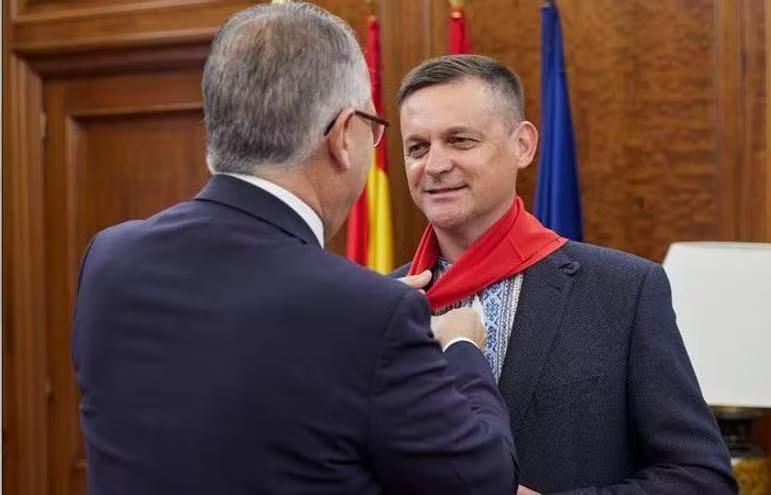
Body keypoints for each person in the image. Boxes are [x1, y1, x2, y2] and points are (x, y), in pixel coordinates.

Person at [72, 5, 517, 495]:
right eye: (375, 128)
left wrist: (363, 310)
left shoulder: (110, 259)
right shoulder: (368, 312)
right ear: (345, 136)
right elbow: (484, 482)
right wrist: (460, 346)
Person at [392, 54, 737, 494]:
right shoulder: (383, 303)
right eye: (417, 147)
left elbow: (703, 480)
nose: (435, 165)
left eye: (460, 140)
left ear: (523, 145)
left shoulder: (623, 291)